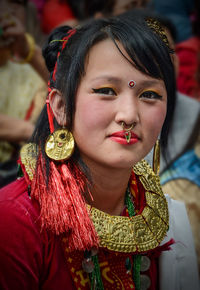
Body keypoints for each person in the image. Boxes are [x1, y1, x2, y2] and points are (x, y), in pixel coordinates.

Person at [0, 16, 199, 290]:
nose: (129, 115)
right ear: (61, 107)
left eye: (150, 94)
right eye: (106, 91)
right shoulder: (14, 221)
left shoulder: (169, 220)